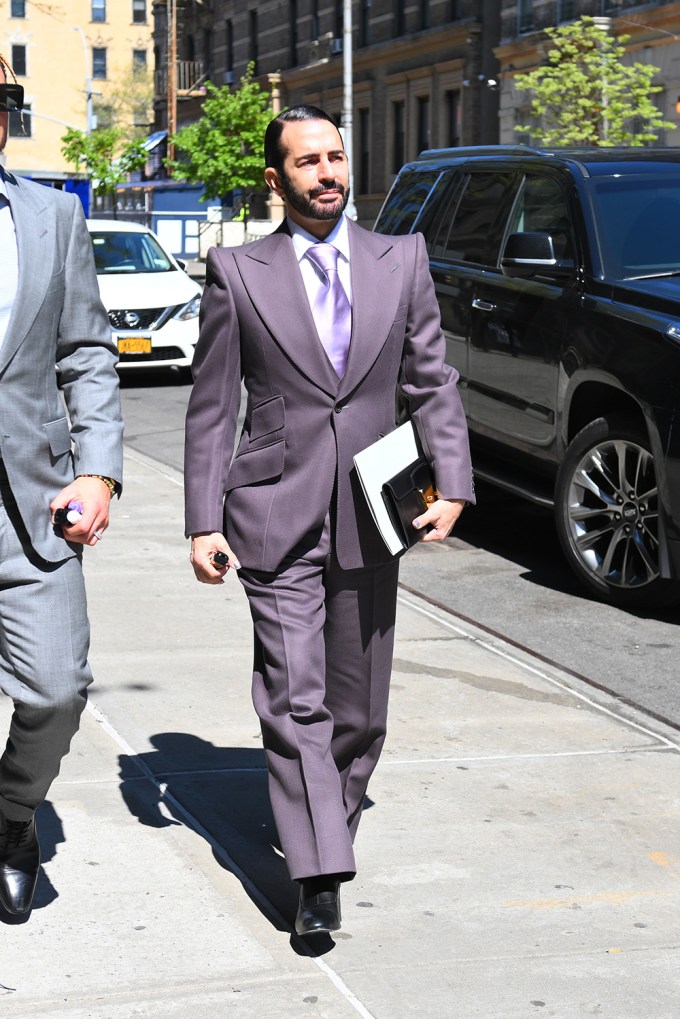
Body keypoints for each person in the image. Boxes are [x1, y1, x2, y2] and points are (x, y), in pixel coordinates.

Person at [184, 105, 474, 937]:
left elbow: (431, 379)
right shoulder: (237, 272)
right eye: (308, 162)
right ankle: (318, 874)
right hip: (273, 508)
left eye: (337, 157)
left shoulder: (402, 258)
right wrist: (204, 520)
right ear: (277, 180)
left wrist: (450, 478)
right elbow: (211, 408)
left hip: (377, 507)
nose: (328, 173)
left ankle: (326, 823)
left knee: (361, 709)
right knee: (293, 695)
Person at [0, 57, 123, 915]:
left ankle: (10, 816)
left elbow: (85, 350)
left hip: (33, 504)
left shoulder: (52, 214)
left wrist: (99, 467)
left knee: (56, 688)